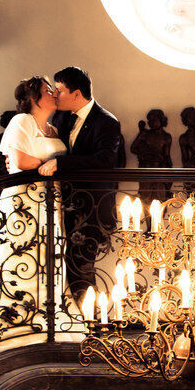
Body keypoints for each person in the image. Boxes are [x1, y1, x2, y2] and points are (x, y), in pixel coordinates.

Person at [0, 76, 66, 349]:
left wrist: (54, 165)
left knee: (47, 259)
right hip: (25, 201)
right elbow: (19, 160)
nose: (54, 93)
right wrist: (50, 164)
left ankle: (45, 325)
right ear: (34, 98)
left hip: (49, 201)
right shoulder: (22, 121)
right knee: (20, 257)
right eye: (48, 90)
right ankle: (12, 330)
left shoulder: (53, 128)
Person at [43, 67, 123, 300]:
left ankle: (88, 318)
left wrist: (62, 164)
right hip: (62, 204)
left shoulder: (106, 122)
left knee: (81, 268)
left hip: (91, 208)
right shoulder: (60, 117)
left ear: (76, 94)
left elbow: (105, 160)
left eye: (59, 90)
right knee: (60, 268)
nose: (55, 95)